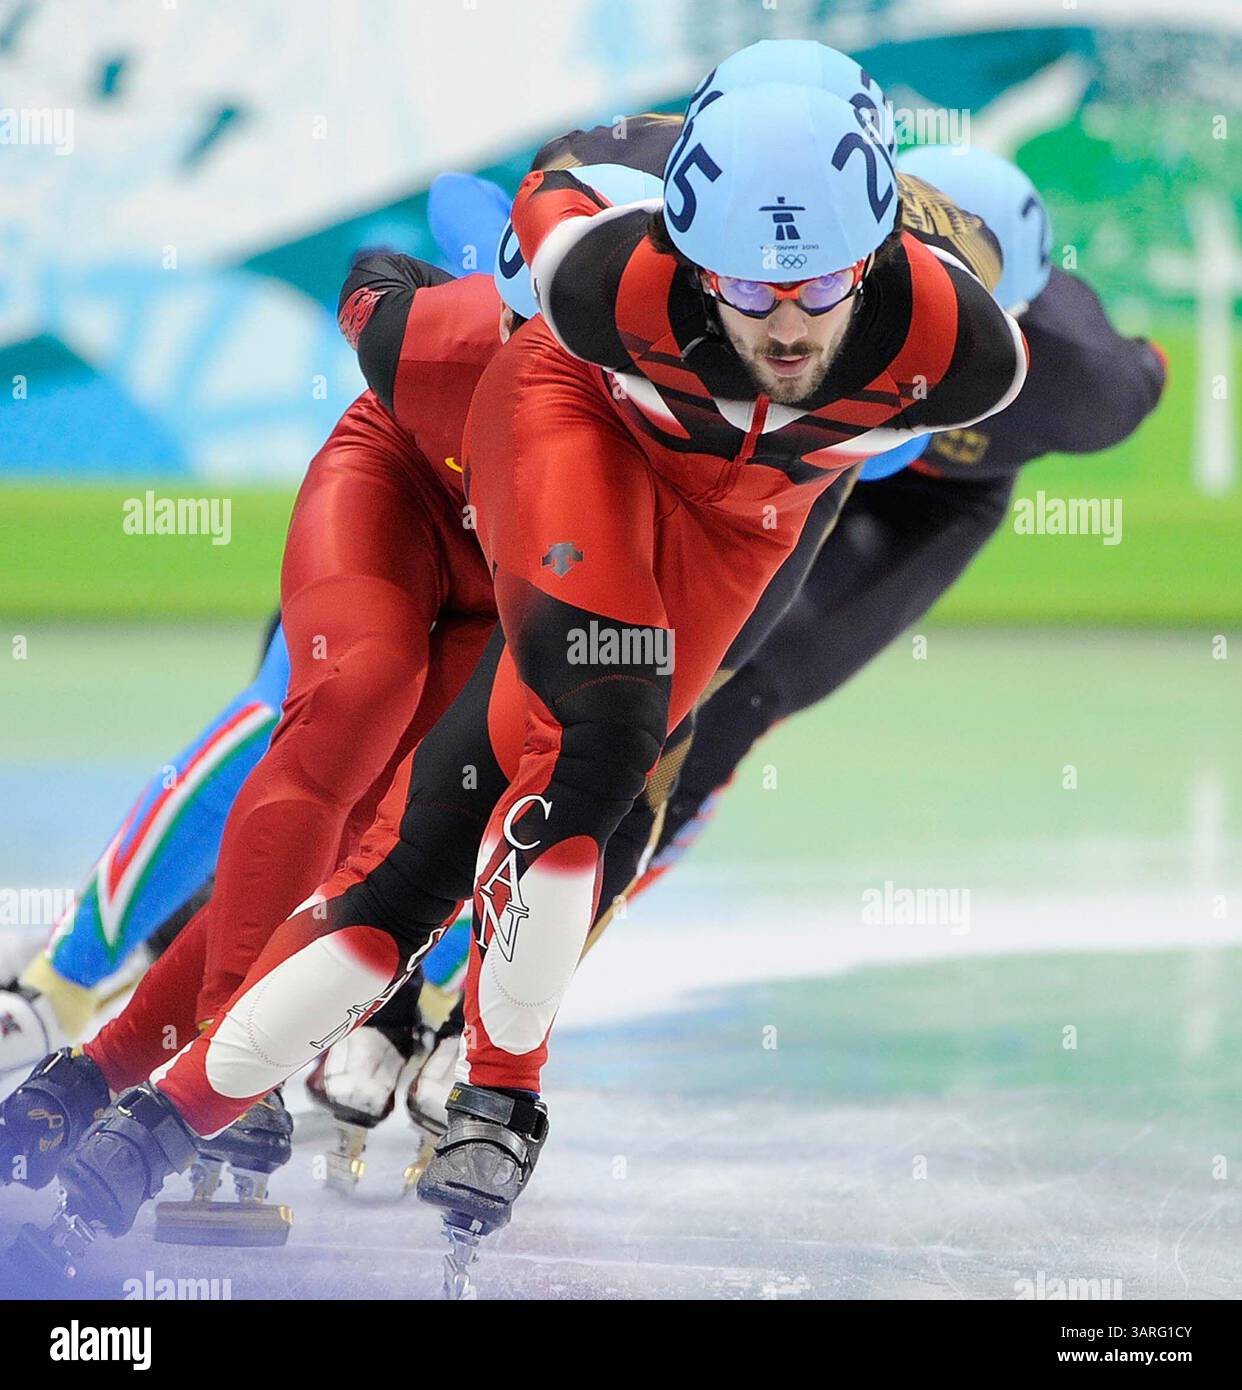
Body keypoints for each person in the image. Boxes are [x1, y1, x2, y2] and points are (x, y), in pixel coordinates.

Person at [13, 57, 1026, 1288]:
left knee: (419, 846)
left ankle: (111, 1078)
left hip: (588, 556)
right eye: (745, 290)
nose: (779, 328)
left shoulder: (964, 357)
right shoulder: (588, 290)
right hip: (423, 488)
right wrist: (418, 284)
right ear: (687, 261)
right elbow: (386, 293)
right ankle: (150, 1014)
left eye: (817, 281)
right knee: (353, 704)